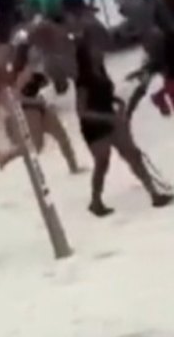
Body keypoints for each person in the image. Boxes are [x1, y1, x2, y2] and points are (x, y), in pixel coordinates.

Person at [74, 41, 172, 216]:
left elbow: (104, 94)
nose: (99, 51)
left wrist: (117, 102)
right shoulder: (83, 81)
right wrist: (109, 117)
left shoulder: (100, 71)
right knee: (102, 163)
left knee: (133, 156)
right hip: (94, 127)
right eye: (94, 49)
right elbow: (82, 111)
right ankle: (96, 200)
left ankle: (154, 193)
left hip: (112, 119)